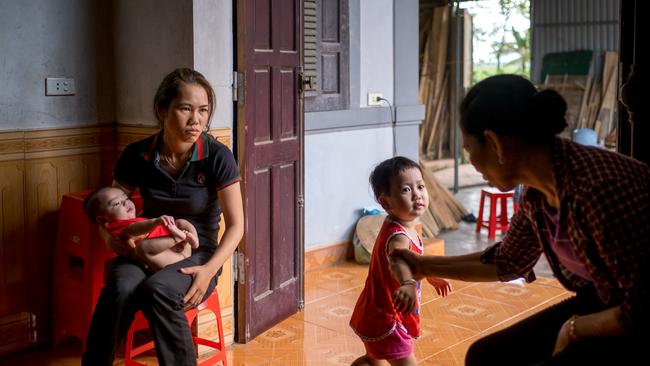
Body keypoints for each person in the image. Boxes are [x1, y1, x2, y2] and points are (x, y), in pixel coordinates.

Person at [393, 74, 650, 365]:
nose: (473, 164)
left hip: (635, 315)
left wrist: (575, 328)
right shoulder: (536, 196)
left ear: (493, 143)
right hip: (606, 301)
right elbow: (509, 261)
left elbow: (642, 308)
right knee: (486, 356)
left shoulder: (596, 189)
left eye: (469, 149)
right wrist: (422, 265)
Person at [82, 68, 244, 366]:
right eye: (185, 108)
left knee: (159, 291)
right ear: (162, 109)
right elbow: (110, 210)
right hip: (146, 244)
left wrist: (209, 270)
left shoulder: (217, 156)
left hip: (197, 252)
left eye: (203, 110)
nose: (196, 120)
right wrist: (118, 243)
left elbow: (237, 226)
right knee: (120, 289)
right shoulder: (137, 154)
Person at [350, 156, 452, 366]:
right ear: (385, 201)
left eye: (420, 186)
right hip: (388, 318)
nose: (417, 195)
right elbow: (398, 258)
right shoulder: (398, 237)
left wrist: (430, 276)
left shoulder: (405, 226)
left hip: (374, 312)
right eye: (406, 190)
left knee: (374, 359)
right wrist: (407, 283)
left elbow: (414, 261)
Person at [83, 186, 199, 272]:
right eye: (117, 203)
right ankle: (178, 238)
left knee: (181, 222)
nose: (125, 203)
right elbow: (134, 229)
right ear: (102, 220)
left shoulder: (137, 218)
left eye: (126, 198)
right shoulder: (115, 227)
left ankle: (194, 241)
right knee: (142, 248)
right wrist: (155, 221)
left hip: (183, 248)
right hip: (170, 257)